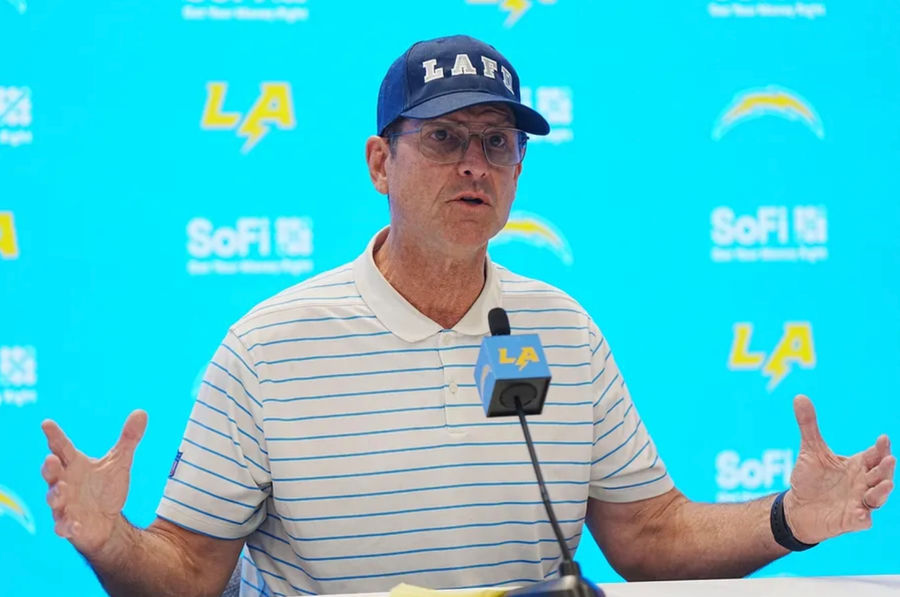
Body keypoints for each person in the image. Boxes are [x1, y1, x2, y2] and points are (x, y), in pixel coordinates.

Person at [40, 34, 894, 597]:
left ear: (519, 171)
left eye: (498, 143)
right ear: (380, 162)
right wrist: (108, 537)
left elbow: (647, 533)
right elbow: (190, 569)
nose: (474, 165)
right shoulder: (269, 346)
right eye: (443, 139)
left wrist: (790, 516)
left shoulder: (561, 328)